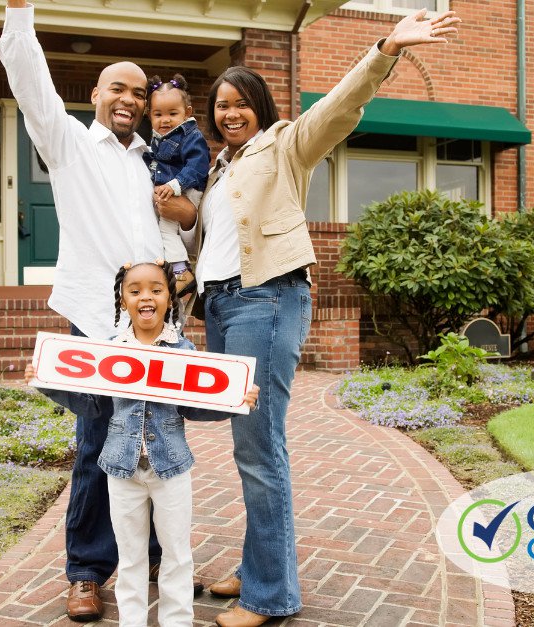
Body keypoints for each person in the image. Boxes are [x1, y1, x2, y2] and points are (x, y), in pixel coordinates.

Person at [156, 9, 462, 627]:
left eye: (241, 104)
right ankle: (261, 561)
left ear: (261, 108)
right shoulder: (218, 168)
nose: (230, 113)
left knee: (259, 446)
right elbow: (204, 238)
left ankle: (271, 594)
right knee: (248, 445)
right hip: (222, 304)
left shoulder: (287, 144)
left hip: (265, 299)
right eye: (221, 106)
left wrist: (384, 49)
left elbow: (341, 107)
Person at [0, 1, 192, 620]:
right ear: (96, 93)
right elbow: (29, 82)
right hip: (98, 318)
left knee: (161, 436)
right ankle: (86, 570)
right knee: (96, 442)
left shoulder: (152, 162)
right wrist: (19, 13)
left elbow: (173, 233)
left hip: (157, 322)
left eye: (139, 91)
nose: (130, 99)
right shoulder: (70, 146)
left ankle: (154, 549)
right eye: (118, 88)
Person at [27, 261, 258, 626]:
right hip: (122, 469)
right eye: (134, 290)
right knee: (131, 557)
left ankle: (176, 622)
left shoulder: (184, 352)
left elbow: (195, 407)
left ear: (170, 299)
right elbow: (91, 406)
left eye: (155, 289)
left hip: (171, 470)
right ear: (122, 300)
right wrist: (47, 380)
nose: (145, 296)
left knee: (177, 555)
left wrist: (234, 401)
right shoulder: (110, 351)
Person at [143, 74, 210, 297]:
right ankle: (176, 272)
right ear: (149, 115)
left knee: (166, 230)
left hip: (188, 189)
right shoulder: (157, 138)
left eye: (173, 114)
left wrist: (175, 185)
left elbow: (198, 165)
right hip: (173, 189)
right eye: (158, 114)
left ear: (187, 113)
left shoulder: (190, 135)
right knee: (163, 230)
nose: (165, 120)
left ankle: (182, 274)